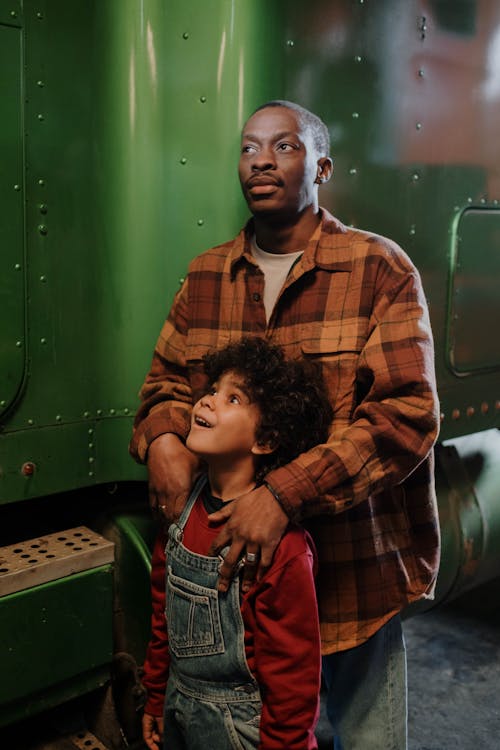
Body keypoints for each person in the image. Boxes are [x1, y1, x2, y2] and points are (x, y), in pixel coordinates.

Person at [130, 100, 440, 749]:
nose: (261, 160)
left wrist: (284, 492)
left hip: (350, 588)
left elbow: (406, 415)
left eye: (284, 146)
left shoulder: (378, 268)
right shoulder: (207, 276)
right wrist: (161, 435)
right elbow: (163, 382)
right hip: (231, 609)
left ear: (322, 166)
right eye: (249, 148)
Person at [141, 336, 333, 750]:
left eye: (232, 399)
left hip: (238, 729)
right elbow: (162, 618)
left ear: (265, 441)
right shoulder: (181, 513)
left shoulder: (282, 548)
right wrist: (156, 697)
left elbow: (293, 673)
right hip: (177, 706)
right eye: (212, 390)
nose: (207, 401)